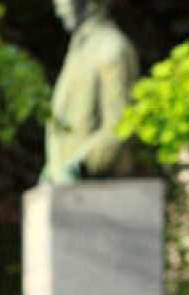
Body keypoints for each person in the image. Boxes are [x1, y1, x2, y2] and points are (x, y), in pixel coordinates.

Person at [42, 0, 139, 184]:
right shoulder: (78, 51)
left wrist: (82, 163)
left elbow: (120, 123)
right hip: (66, 186)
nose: (58, 9)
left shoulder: (111, 48)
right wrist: (53, 167)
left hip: (98, 184)